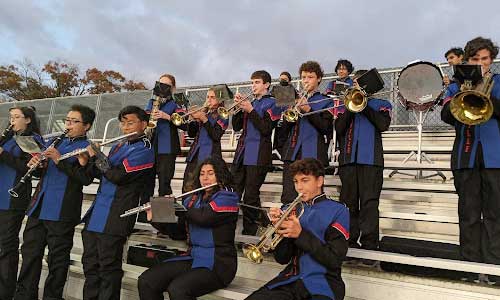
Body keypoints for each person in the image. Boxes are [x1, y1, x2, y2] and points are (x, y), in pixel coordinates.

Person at [15, 104, 96, 300]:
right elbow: (43, 172)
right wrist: (38, 164)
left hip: (62, 211)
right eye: (67, 120)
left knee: (57, 262)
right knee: (29, 256)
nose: (68, 124)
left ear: (86, 126)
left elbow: (85, 179)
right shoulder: (54, 143)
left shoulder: (89, 148)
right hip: (38, 206)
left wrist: (60, 160)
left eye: (74, 121)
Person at [246, 158, 349, 300]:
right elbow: (282, 258)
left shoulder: (338, 211)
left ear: (319, 181)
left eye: (305, 180)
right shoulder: (290, 209)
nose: (299, 187)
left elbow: (334, 260)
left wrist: (300, 234)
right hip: (291, 279)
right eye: (296, 181)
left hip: (324, 283)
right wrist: (279, 229)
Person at [440, 37, 500, 282]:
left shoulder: (498, 82)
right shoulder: (456, 85)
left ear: (491, 60)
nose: (481, 63)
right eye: (476, 59)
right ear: (467, 60)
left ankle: (494, 266)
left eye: (485, 59)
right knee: (468, 213)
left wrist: (486, 99)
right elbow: (446, 114)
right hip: (465, 156)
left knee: (495, 213)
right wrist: (465, 92)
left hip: (495, 157)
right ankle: (469, 265)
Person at [137, 158, 239, 300]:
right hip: (193, 258)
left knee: (178, 289)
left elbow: (204, 217)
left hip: (218, 264)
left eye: (210, 173)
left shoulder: (228, 197)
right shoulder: (191, 200)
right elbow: (178, 233)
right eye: (202, 174)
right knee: (147, 281)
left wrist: (176, 207)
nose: (205, 178)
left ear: (220, 175)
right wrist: (157, 215)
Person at [80, 106, 154, 299]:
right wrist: (87, 159)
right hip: (97, 214)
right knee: (90, 265)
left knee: (108, 269)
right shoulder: (119, 146)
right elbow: (97, 172)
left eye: (131, 123)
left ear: (143, 124)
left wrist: (98, 157)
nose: (126, 127)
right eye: (123, 123)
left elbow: (117, 176)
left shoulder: (145, 149)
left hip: (116, 216)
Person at [335, 69, 392, 255]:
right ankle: (349, 242)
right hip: (348, 160)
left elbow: (383, 125)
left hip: (372, 161)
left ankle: (370, 245)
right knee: (348, 203)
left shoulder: (382, 104)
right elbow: (339, 128)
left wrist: (364, 105)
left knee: (369, 203)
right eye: (354, 83)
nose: (355, 86)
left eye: (358, 83)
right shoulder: (345, 105)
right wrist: (352, 107)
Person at [0, 107, 42, 299]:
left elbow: (29, 168)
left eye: (17, 117)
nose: (12, 121)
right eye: (11, 117)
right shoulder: (8, 138)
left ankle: (5, 292)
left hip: (13, 198)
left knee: (7, 247)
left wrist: (2, 153)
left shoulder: (32, 140)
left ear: (28, 120)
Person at [231, 70, 279, 235]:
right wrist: (238, 109)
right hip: (242, 152)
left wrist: (251, 110)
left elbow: (266, 129)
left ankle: (249, 234)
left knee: (250, 197)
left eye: (257, 82)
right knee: (234, 193)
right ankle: (260, 225)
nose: (253, 86)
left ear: (266, 84)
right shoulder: (249, 102)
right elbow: (236, 127)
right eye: (252, 83)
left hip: (259, 153)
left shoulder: (273, 103)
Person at [281, 61, 333, 204]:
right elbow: (283, 130)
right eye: (303, 77)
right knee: (288, 197)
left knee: (312, 198)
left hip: (314, 153)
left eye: (310, 77)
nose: (306, 81)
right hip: (292, 153)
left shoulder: (326, 101)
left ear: (319, 79)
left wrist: (308, 110)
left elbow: (326, 128)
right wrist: (290, 111)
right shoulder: (293, 99)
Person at [182, 87, 229, 192]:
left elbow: (216, 135)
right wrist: (192, 120)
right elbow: (191, 134)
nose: (209, 100)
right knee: (188, 187)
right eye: (207, 97)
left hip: (211, 155)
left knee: (207, 189)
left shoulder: (223, 114)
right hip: (195, 155)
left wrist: (204, 119)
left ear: (219, 100)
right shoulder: (204, 112)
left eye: (212, 97)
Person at [145, 73, 184, 197]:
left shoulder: (177, 102)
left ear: (173, 88)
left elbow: (185, 124)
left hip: (167, 149)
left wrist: (167, 116)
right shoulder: (151, 102)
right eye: (160, 84)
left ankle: (163, 215)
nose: (163, 88)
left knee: (164, 185)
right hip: (150, 146)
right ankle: (145, 214)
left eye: (167, 85)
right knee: (146, 184)